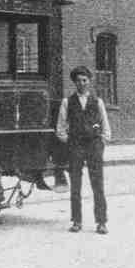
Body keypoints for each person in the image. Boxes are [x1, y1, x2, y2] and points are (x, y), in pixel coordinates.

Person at [55, 65, 111, 234]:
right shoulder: (67, 102)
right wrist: (70, 141)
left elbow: (105, 125)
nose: (82, 83)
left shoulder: (97, 101)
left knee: (98, 185)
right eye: (78, 81)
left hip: (94, 145)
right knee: (76, 186)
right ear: (74, 83)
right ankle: (76, 221)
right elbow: (60, 127)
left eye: (85, 80)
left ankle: (101, 222)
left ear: (89, 81)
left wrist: (102, 141)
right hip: (76, 146)